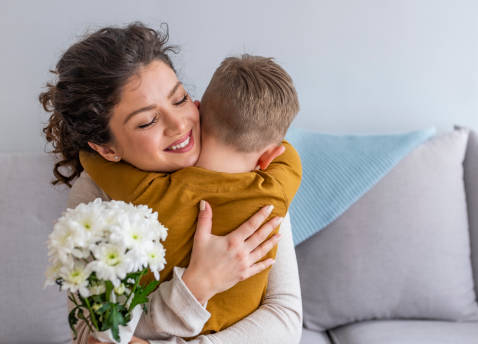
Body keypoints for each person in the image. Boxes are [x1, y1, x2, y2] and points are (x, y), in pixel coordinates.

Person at [40, 22, 302, 344]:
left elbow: (286, 316)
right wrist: (196, 285)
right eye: (148, 120)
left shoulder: (246, 162)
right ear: (106, 149)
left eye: (179, 99)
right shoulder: (96, 196)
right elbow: (92, 334)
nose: (180, 124)